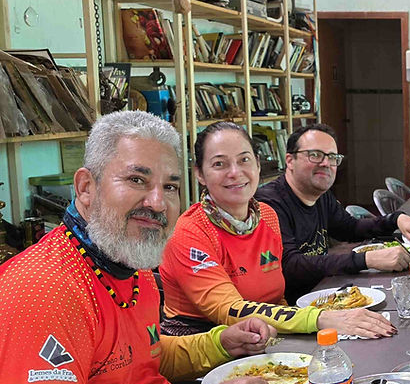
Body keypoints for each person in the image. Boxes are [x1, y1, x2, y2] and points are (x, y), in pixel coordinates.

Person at [0, 111, 280, 384]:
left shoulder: (133, 264)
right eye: (137, 180)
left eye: (171, 186)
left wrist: (219, 343)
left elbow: (142, 356)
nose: (158, 203)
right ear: (86, 187)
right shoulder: (43, 286)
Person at [159, 122, 396, 339]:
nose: (235, 172)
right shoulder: (189, 232)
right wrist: (321, 318)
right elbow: (228, 309)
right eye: (219, 164)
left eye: (244, 160)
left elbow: (277, 298)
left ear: (258, 165)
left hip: (271, 341)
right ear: (199, 174)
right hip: (210, 352)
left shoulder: (266, 216)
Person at [255, 124, 410, 303]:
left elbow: (351, 228)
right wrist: (366, 259)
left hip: (324, 291)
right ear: (290, 160)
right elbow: (290, 266)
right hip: (292, 309)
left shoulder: (320, 196)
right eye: (315, 155)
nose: (325, 163)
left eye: (332, 157)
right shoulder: (269, 204)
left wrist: (396, 219)